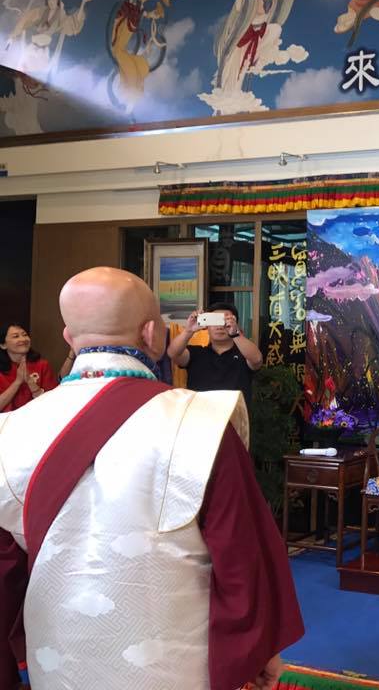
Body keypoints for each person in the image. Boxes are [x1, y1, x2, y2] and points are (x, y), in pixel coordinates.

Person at [0, 268, 303, 689]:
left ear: (69, 337)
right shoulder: (201, 420)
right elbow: (242, 555)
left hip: (56, 660)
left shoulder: (10, 430)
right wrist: (255, 651)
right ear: (151, 333)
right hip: (174, 663)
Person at [167, 301, 263, 406]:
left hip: (234, 415)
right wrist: (188, 331)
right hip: (199, 414)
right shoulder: (196, 353)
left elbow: (257, 359)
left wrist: (235, 334)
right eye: (214, 320)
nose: (219, 326)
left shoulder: (244, 355)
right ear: (207, 326)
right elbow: (173, 354)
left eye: (225, 321)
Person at [0, 323, 58, 412]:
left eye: (25, 335)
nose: (23, 339)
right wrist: (17, 382)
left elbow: (53, 402)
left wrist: (30, 381)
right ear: (3, 345)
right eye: (16, 336)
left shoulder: (42, 365)